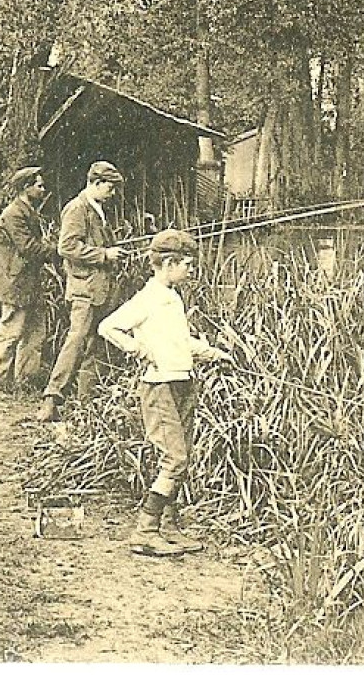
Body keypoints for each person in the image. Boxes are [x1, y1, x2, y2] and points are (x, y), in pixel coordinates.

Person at [98, 229, 232, 556]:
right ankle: (145, 530)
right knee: (175, 458)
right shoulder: (148, 298)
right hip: (158, 386)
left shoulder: (173, 297)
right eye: (186, 264)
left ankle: (169, 526)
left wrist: (214, 353)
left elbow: (180, 341)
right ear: (169, 263)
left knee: (182, 455)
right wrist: (136, 348)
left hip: (182, 381)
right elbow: (108, 327)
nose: (190, 270)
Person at [39, 161, 126, 421]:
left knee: (96, 345)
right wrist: (104, 254)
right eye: (110, 188)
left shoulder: (97, 209)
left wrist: (113, 254)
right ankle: (51, 399)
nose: (113, 194)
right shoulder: (77, 208)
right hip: (84, 289)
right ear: (96, 183)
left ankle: (85, 404)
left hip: (99, 288)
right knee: (76, 342)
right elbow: (66, 247)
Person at [0, 166, 53, 398]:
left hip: (28, 282)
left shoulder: (27, 211)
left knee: (35, 333)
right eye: (38, 185)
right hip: (15, 282)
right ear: (25, 187)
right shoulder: (13, 214)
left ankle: (25, 381)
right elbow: (28, 248)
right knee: (10, 332)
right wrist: (57, 249)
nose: (43, 189)